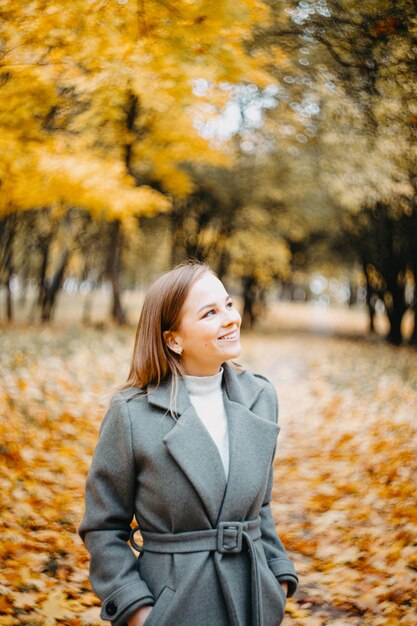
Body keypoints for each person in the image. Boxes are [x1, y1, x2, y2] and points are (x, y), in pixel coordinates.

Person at [79, 261, 298, 626]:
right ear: (173, 339)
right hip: (175, 608)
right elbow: (103, 527)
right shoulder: (132, 414)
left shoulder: (261, 396)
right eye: (210, 313)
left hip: (254, 603)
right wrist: (137, 611)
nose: (231, 318)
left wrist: (277, 577)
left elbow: (260, 506)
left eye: (228, 304)